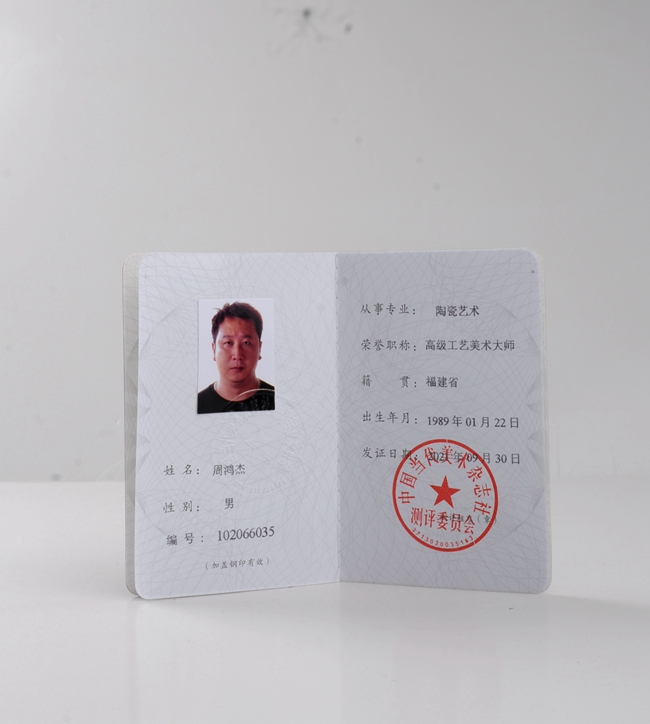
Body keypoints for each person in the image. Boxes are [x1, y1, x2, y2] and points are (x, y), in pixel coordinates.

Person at [197, 302, 275, 414]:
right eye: (228, 343)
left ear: (259, 348)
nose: (237, 355)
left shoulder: (278, 401)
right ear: (214, 350)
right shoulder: (197, 405)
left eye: (246, 343)